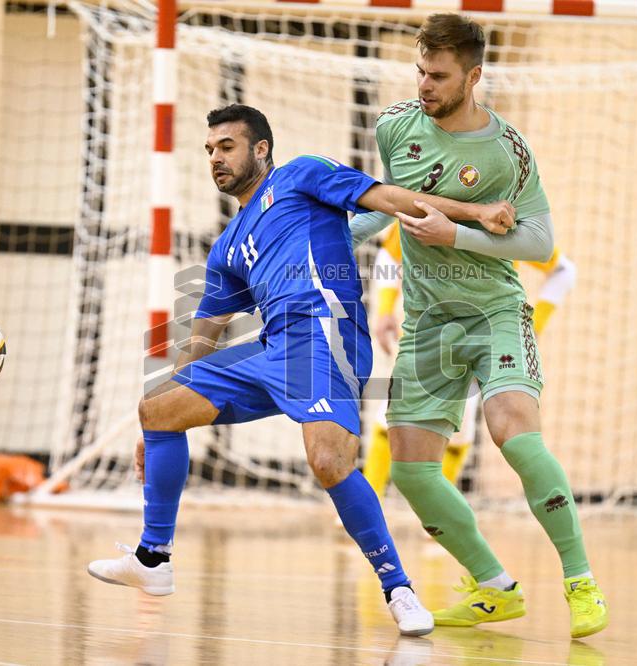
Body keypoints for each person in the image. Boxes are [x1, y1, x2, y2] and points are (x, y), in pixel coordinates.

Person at [86, 103, 515, 637]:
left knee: (329, 462)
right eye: (210, 151)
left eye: (227, 147)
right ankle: (153, 560)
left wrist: (472, 213)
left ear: (260, 149)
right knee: (156, 407)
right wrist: (159, 423)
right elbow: (205, 329)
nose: (216, 159)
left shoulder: (301, 175)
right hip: (273, 350)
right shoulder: (227, 245)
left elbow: (385, 197)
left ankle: (399, 589)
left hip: (325, 334)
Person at [349, 14, 608, 639]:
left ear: (474, 75)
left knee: (512, 432)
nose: (425, 86)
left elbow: (542, 240)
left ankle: (579, 582)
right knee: (411, 469)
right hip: (427, 320)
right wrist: (316, 240)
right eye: (420, 72)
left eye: (438, 76)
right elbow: (383, 208)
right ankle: (494, 588)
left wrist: (457, 234)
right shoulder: (395, 128)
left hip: (493, 311)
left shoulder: (507, 150)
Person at [362, 223, 578, 493]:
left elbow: (564, 272)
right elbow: (389, 254)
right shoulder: (430, 202)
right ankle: (369, 502)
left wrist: (531, 328)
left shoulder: (510, 224)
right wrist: (384, 311)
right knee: (393, 415)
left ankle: (439, 517)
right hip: (427, 328)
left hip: (480, 339)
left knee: (458, 431)